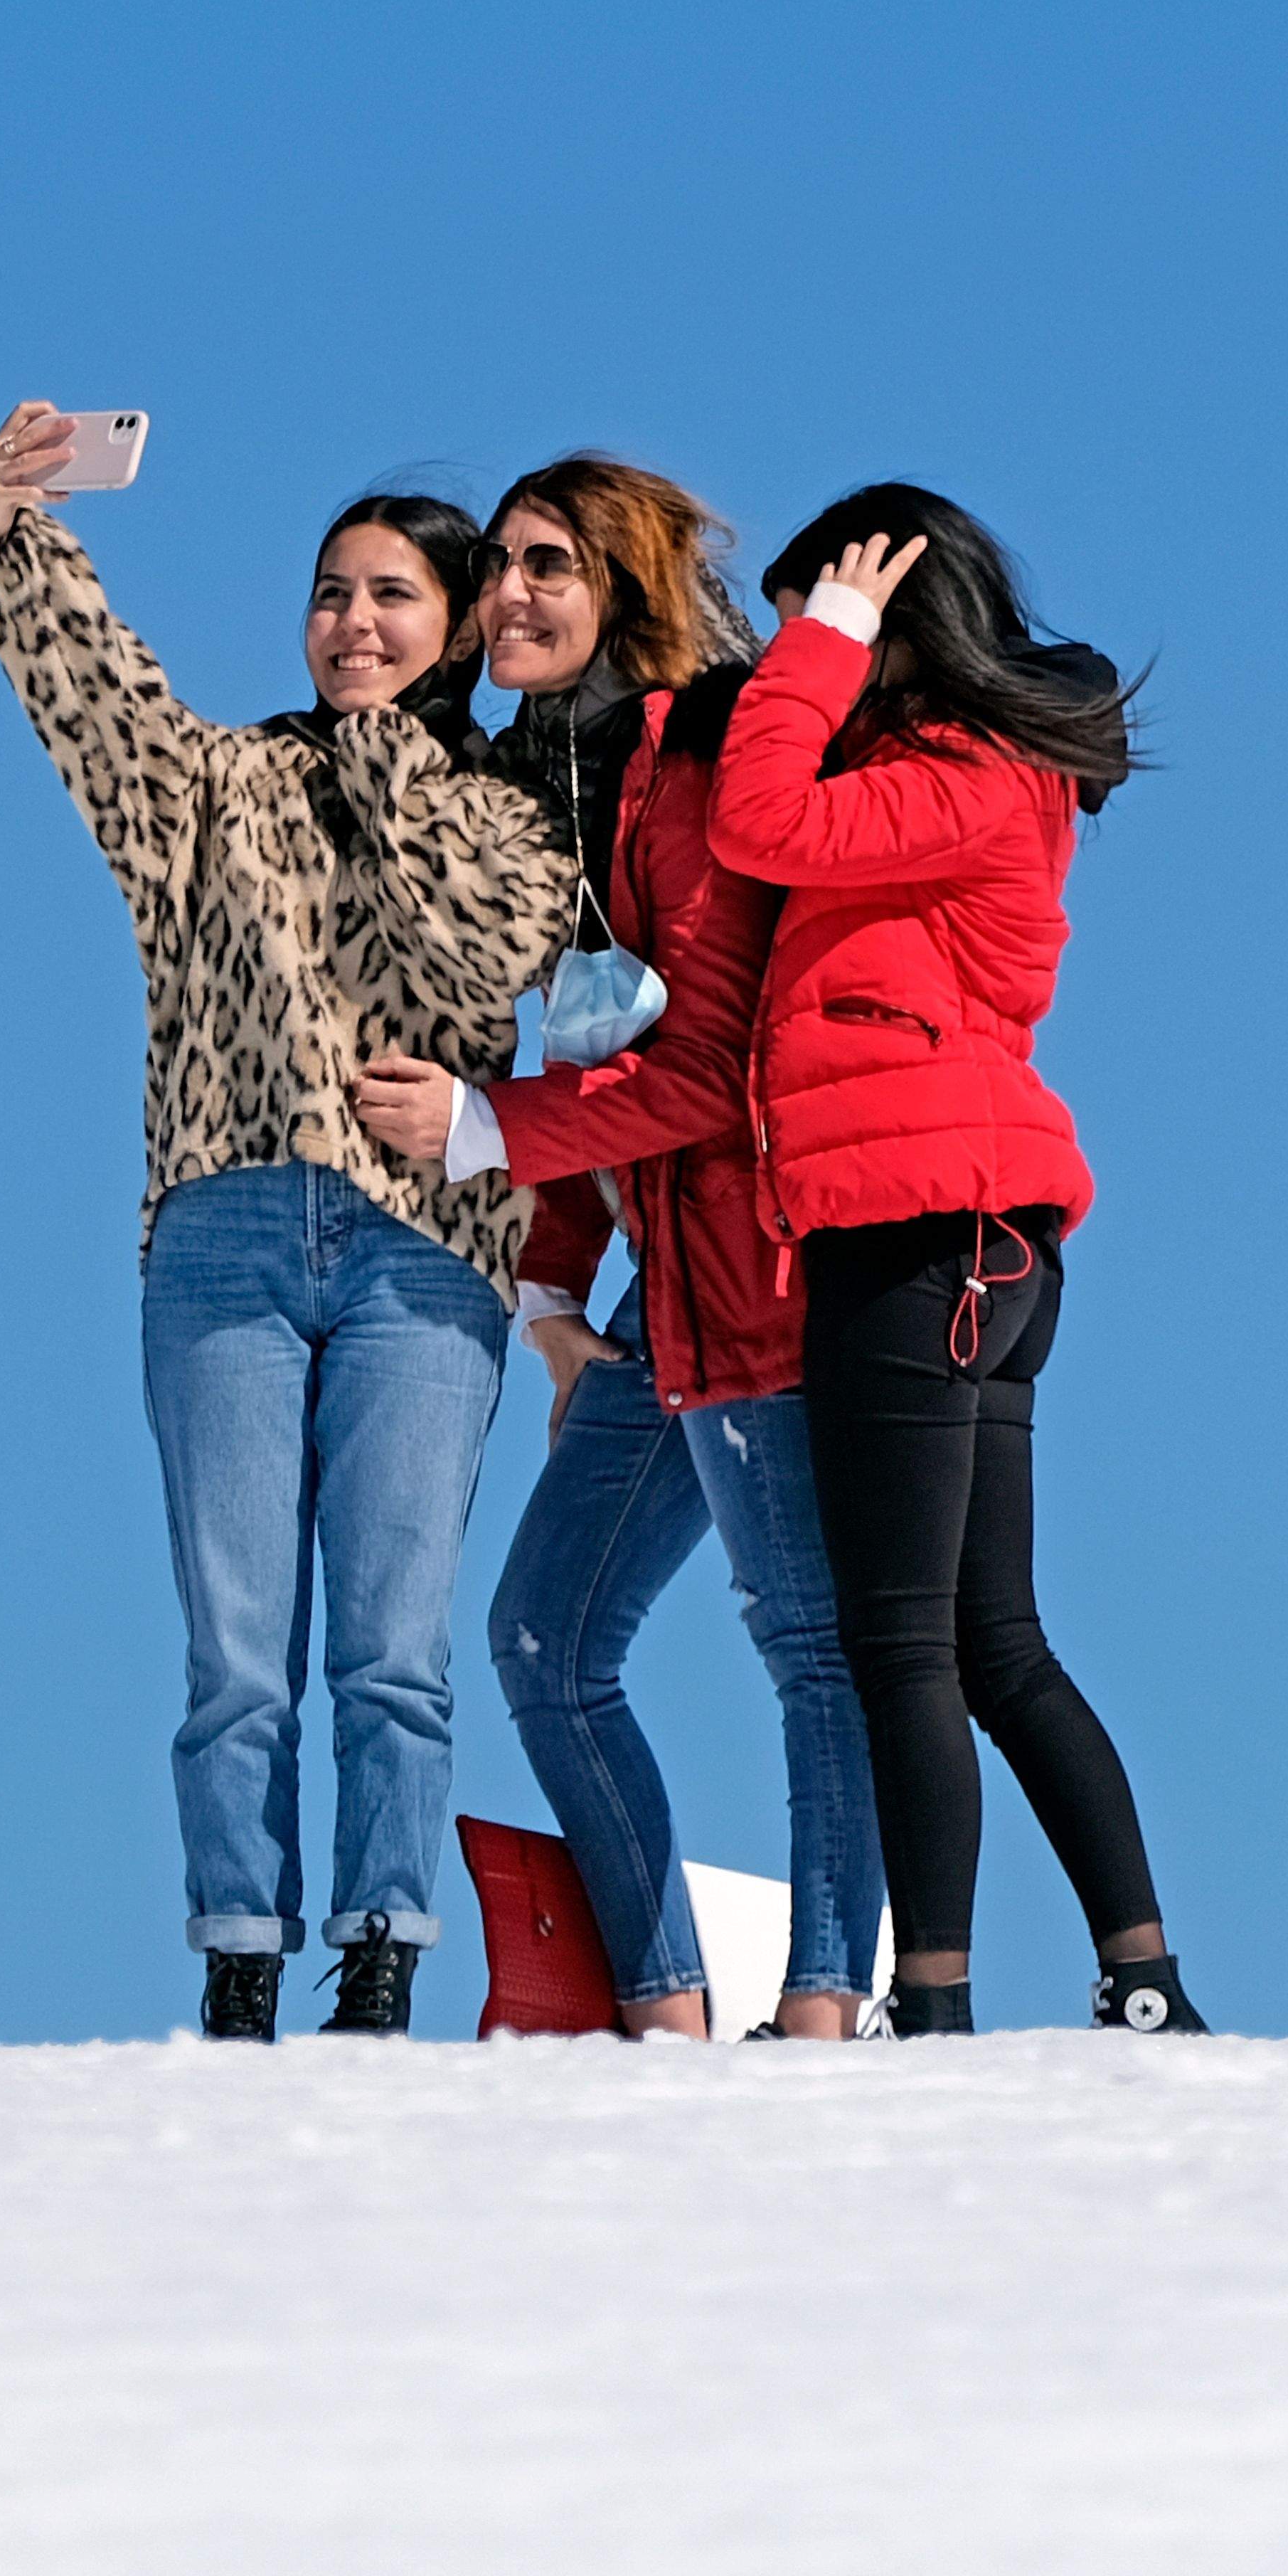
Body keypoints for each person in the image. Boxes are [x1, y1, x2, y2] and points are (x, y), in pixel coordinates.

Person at [0, 403, 577, 2041]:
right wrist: (21, 530)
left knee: (393, 1645)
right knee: (239, 1648)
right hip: (225, 1234)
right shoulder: (215, 789)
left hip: (422, 1256)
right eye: (329, 594)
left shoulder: (512, 820)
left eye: (391, 597)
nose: (351, 623)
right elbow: (92, 704)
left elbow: (474, 961)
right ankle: (241, 1954)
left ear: (452, 632)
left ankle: (380, 1956)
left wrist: (385, 749)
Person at [350, 458, 886, 2040]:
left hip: (769, 1270)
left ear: (621, 592)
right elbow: (601, 1032)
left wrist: (481, 1128)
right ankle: (660, 2012)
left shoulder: (698, 759)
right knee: (546, 1635)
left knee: (808, 1642)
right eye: (501, 563)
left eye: (548, 564)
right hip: (667, 1291)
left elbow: (703, 1063)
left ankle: (822, 2013)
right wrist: (549, 1287)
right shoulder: (562, 785)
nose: (509, 591)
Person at [701, 484, 1198, 2037]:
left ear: (897, 622)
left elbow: (755, 819)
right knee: (993, 1642)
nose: (807, 656)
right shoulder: (972, 773)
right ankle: (1142, 1980)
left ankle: (936, 2006)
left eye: (828, 622)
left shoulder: (962, 774)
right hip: (972, 1234)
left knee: (901, 1639)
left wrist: (822, 643)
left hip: (920, 1229)